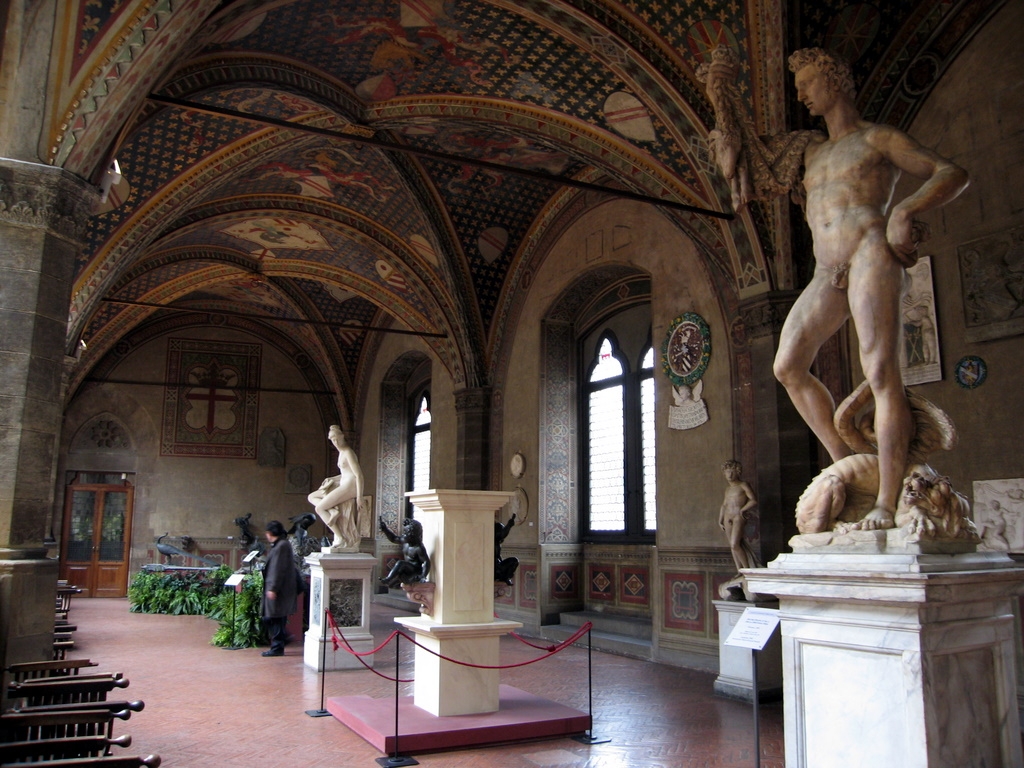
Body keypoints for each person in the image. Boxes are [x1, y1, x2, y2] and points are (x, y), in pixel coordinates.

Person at [702, 47, 969, 529]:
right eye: (798, 86)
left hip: (870, 253)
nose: (801, 94)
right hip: (826, 270)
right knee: (787, 366)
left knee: (881, 371)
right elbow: (748, 161)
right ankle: (849, 462)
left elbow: (951, 172)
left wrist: (904, 210)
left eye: (807, 82)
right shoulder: (809, 150)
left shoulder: (877, 138)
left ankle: (886, 501)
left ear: (836, 80)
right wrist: (719, 93)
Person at [307, 425, 364, 550]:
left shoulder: (348, 452)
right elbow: (345, 472)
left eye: (337, 438)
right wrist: (332, 479)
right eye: (333, 440)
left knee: (320, 508)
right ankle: (333, 511)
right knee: (311, 496)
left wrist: (359, 496)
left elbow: (359, 475)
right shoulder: (341, 453)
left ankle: (340, 537)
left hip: (350, 487)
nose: (335, 442)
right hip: (343, 483)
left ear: (342, 437)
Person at [261, 520, 298, 657]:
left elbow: (277, 568)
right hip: (279, 588)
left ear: (270, 533)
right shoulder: (280, 544)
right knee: (272, 617)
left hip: (280, 590)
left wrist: (273, 588)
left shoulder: (281, 545)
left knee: (273, 617)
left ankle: (278, 646)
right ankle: (282, 639)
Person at [719, 460, 759, 573]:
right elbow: (724, 505)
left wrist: (742, 509)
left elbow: (753, 500)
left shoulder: (743, 485)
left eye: (732, 472)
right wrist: (720, 520)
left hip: (738, 516)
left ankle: (746, 570)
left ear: (737, 472)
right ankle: (739, 571)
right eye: (727, 472)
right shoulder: (728, 489)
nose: (729, 475)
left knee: (734, 544)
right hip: (727, 517)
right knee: (732, 546)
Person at [378, 517, 430, 587]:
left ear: (412, 535)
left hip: (415, 570)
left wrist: (423, 576)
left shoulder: (418, 548)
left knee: (401, 563)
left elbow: (426, 562)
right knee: (400, 572)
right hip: (406, 569)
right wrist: (385, 529)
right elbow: (394, 538)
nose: (403, 534)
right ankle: (394, 581)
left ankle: (388, 579)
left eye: (405, 533)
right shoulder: (405, 541)